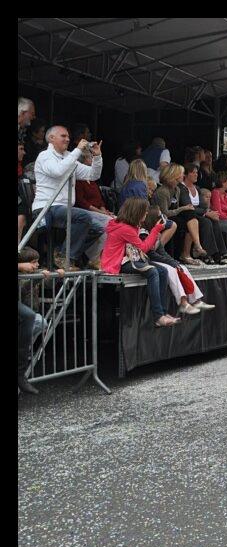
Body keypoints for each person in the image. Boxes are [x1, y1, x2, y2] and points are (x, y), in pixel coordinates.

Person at [30, 126, 106, 270]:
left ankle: (61, 251)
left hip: (65, 209)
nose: (68, 139)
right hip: (47, 207)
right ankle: (66, 256)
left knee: (99, 227)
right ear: (51, 138)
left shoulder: (68, 156)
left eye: (68, 136)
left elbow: (93, 175)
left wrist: (97, 157)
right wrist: (77, 151)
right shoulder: (45, 156)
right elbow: (58, 171)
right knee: (83, 217)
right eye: (63, 136)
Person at [99, 197, 180, 327]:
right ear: (137, 212)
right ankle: (158, 316)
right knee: (152, 271)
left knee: (163, 271)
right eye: (145, 211)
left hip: (127, 258)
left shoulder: (128, 225)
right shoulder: (126, 228)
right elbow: (144, 247)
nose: (147, 214)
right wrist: (155, 230)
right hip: (118, 262)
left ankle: (163, 313)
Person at [139, 208, 215, 315]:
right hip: (147, 259)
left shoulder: (156, 233)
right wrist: (171, 263)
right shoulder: (144, 233)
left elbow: (161, 251)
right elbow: (151, 254)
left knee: (181, 267)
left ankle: (196, 300)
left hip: (155, 258)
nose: (163, 219)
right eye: (160, 217)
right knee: (170, 269)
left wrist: (174, 262)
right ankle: (183, 302)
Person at [18, 246, 61, 395]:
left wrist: (57, 276)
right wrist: (34, 279)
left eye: (37, 262)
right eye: (33, 262)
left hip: (30, 313)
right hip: (23, 314)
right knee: (37, 321)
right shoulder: (22, 277)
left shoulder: (34, 273)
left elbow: (47, 284)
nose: (36, 265)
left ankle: (25, 347)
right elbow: (22, 290)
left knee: (38, 322)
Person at [154, 164, 207, 266]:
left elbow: (175, 209)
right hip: (161, 217)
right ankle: (194, 248)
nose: (183, 175)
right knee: (185, 216)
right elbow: (165, 213)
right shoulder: (163, 191)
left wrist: (183, 209)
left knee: (190, 214)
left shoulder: (177, 189)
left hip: (172, 215)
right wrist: (182, 208)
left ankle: (192, 250)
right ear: (174, 175)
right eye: (181, 173)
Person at [182, 163, 227, 263]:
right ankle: (207, 254)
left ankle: (219, 253)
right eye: (193, 173)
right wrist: (206, 213)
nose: (196, 175)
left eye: (197, 172)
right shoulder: (182, 188)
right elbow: (188, 206)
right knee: (206, 222)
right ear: (186, 175)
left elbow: (203, 205)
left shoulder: (197, 188)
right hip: (186, 215)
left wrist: (208, 212)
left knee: (214, 221)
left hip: (197, 214)